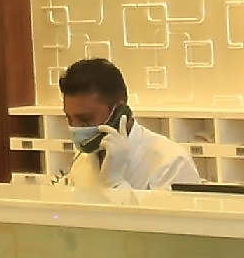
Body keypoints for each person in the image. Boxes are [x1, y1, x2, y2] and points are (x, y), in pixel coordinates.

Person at [54, 58, 194, 191]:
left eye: (85, 118)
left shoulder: (171, 161)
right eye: (69, 118)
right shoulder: (82, 158)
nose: (75, 127)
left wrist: (115, 182)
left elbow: (162, 210)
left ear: (119, 112)